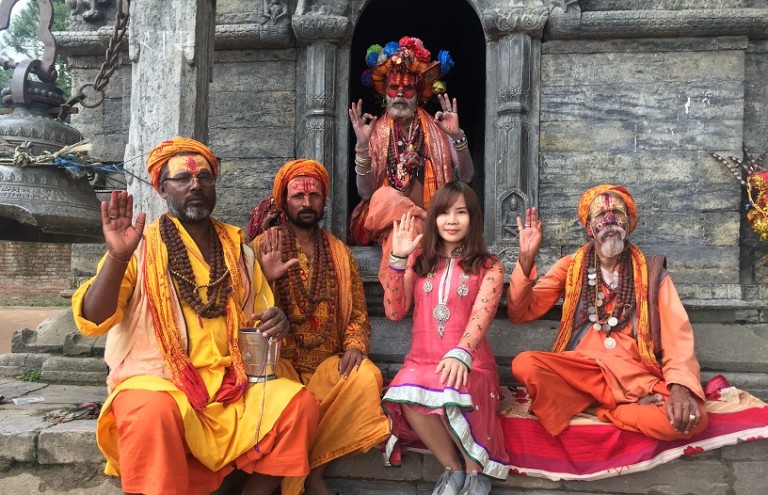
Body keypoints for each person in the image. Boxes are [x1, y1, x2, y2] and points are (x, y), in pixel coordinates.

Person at [70, 137, 319, 495]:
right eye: (182, 179)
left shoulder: (238, 250)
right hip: (161, 382)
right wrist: (117, 257)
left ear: (214, 184)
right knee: (150, 411)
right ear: (162, 188)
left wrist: (275, 319)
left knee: (299, 403)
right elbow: (94, 317)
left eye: (204, 177)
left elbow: (257, 319)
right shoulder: (139, 247)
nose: (195, 185)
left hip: (230, 384)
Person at [507, 184, 709, 441]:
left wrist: (680, 388)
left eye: (616, 212)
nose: (610, 220)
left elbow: (677, 337)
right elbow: (519, 312)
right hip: (582, 373)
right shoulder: (571, 267)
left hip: (635, 378)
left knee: (693, 418)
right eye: (600, 215)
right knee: (525, 364)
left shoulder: (651, 272)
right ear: (588, 227)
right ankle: (613, 408)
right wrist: (526, 259)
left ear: (629, 222)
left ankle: (602, 407)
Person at [248, 159, 390, 495]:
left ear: (323, 200)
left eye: (314, 196)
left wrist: (355, 345)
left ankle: (313, 470)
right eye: (298, 196)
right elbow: (243, 310)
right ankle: (308, 481)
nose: (307, 203)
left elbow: (357, 313)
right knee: (291, 401)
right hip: (280, 364)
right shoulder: (265, 245)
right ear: (285, 201)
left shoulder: (339, 252)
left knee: (366, 377)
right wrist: (265, 279)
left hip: (329, 364)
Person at [382, 181, 510, 495]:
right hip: (422, 362)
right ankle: (452, 469)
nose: (451, 221)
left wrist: (460, 352)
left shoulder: (489, 266)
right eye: (444, 213)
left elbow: (482, 315)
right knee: (405, 388)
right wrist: (397, 260)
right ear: (434, 219)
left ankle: (474, 469)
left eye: (461, 212)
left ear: (474, 219)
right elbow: (395, 311)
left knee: (452, 383)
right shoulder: (420, 261)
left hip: (470, 364)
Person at [347, 36, 474, 286]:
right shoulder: (376, 131)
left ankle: (398, 297)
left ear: (419, 94)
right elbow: (366, 194)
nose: (401, 94)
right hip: (394, 219)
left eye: (408, 89)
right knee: (385, 197)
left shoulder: (438, 128)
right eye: (394, 88)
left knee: (402, 234)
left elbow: (466, 177)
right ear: (384, 94)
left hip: (415, 226)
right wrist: (362, 146)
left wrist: (457, 136)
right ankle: (425, 222)